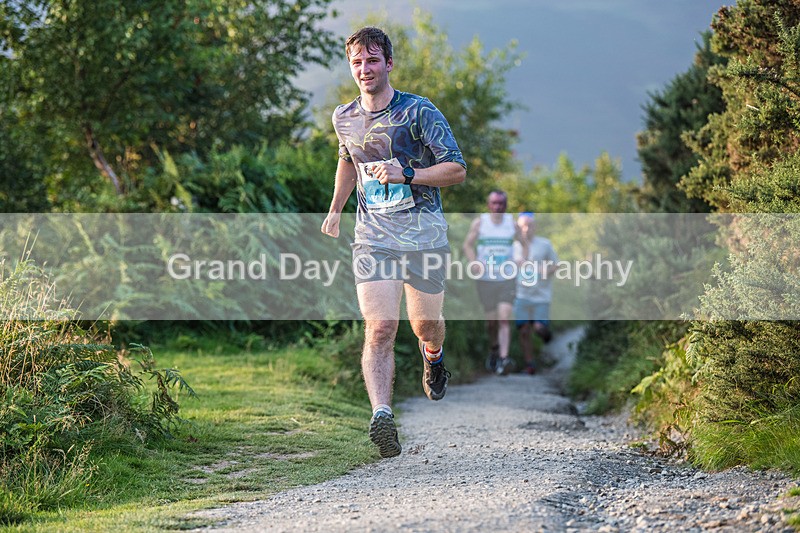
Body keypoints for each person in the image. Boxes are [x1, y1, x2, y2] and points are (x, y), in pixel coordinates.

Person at [320, 27, 467, 459]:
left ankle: (434, 355)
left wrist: (409, 174)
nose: (364, 69)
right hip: (373, 237)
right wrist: (335, 209)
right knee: (380, 326)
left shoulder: (419, 112)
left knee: (425, 325)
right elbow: (348, 161)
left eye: (372, 60)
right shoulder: (343, 116)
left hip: (423, 233)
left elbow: (456, 169)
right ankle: (381, 414)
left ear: (388, 63)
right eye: (357, 62)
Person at [462, 190, 527, 375]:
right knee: (491, 322)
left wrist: (522, 259)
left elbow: (525, 244)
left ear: (505, 205)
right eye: (494, 203)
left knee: (504, 318)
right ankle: (494, 349)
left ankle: (504, 359)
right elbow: (467, 245)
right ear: (488, 205)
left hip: (507, 277)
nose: (497, 206)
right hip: (486, 279)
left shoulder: (512, 224)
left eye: (501, 203)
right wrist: (474, 261)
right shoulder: (480, 223)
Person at [513, 212, 558, 374]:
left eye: (529, 225)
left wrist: (545, 270)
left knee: (539, 328)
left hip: (541, 295)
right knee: (524, 330)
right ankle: (529, 363)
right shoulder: (514, 247)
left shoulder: (544, 244)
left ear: (535, 226)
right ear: (518, 228)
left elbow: (555, 265)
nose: (526, 229)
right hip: (521, 295)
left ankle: (547, 335)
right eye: (522, 226)